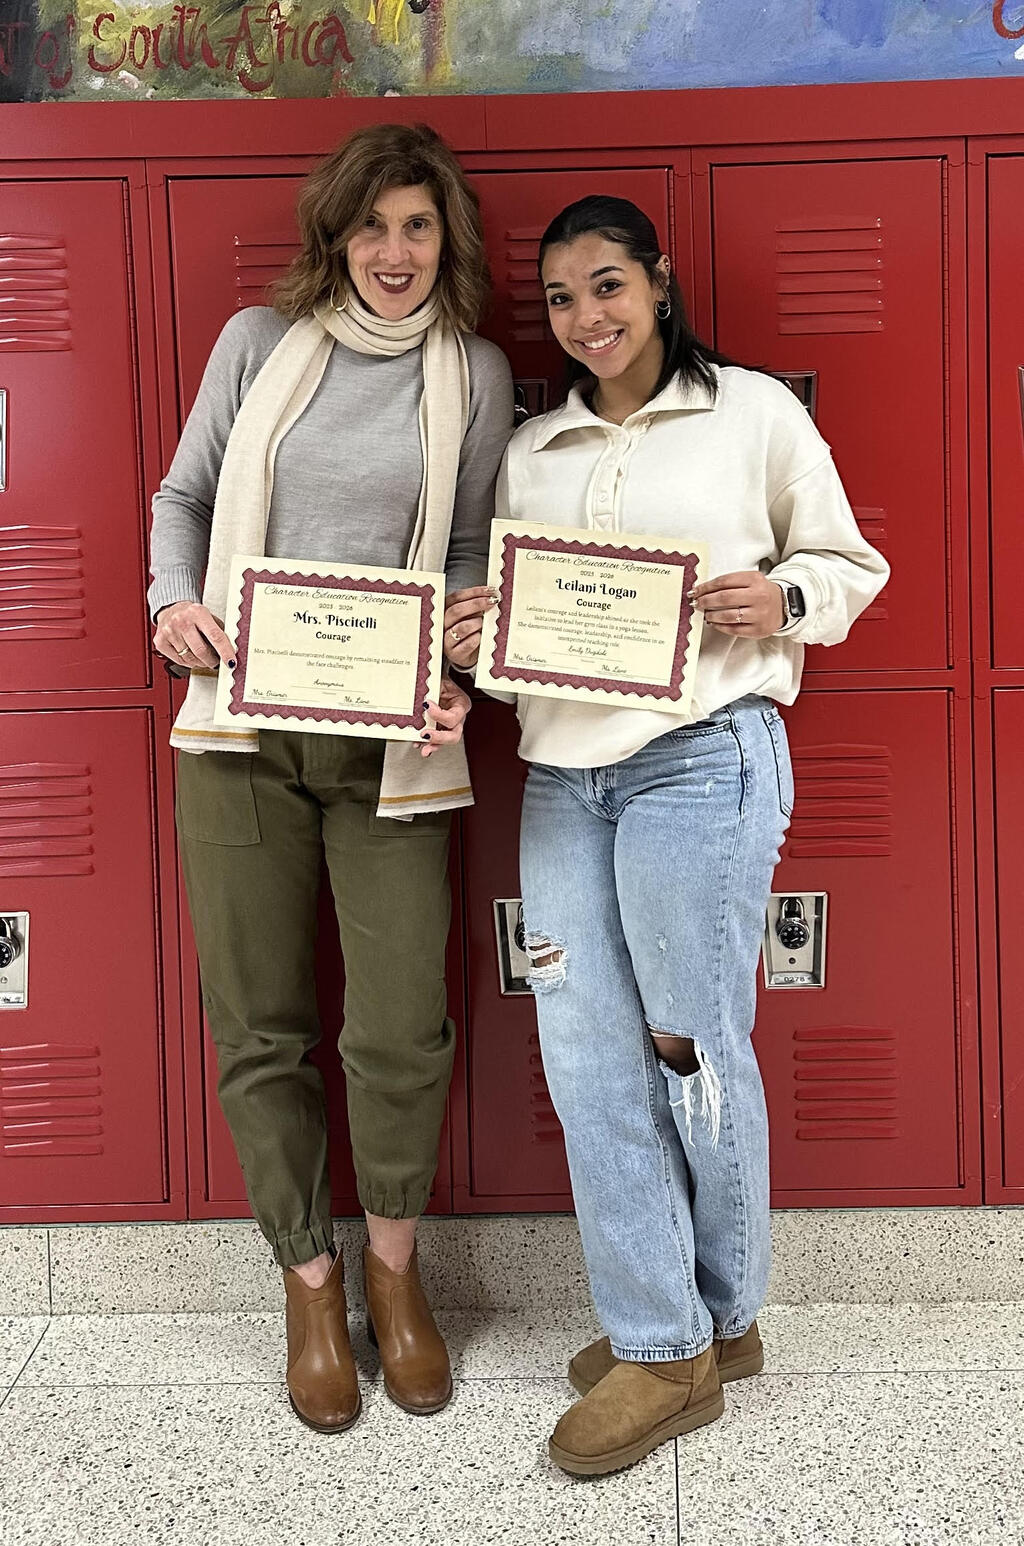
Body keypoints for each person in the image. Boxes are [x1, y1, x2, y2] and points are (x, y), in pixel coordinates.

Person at [485, 194, 888, 1475]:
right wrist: (479, 637)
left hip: (703, 758)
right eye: (560, 298)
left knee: (689, 1048)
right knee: (585, 1059)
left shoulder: (753, 412)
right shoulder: (533, 448)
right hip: (563, 776)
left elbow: (848, 567)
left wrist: (783, 594)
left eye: (606, 285)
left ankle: (691, 1334)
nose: (585, 317)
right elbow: (521, 630)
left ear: (657, 282)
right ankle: (677, 1325)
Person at [148, 123, 513, 1433]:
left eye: (417, 226)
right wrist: (172, 604)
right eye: (371, 225)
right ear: (336, 234)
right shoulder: (259, 343)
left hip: (393, 740)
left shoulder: (475, 371)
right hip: (238, 734)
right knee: (260, 1019)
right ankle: (309, 1282)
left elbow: (467, 549)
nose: (393, 252)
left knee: (401, 1023)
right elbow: (184, 496)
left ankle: (395, 1275)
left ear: (445, 240)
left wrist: (461, 651)